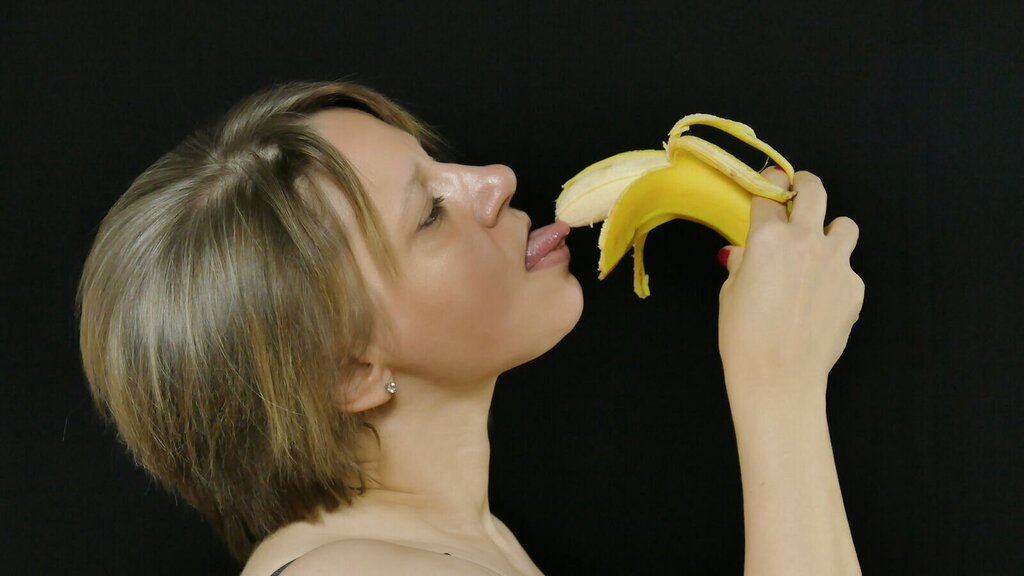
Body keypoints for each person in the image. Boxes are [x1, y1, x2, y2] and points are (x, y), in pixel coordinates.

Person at [76, 81, 864, 575]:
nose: (496, 180)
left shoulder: (462, 546)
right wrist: (779, 388)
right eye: (429, 212)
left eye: (437, 163)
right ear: (350, 371)